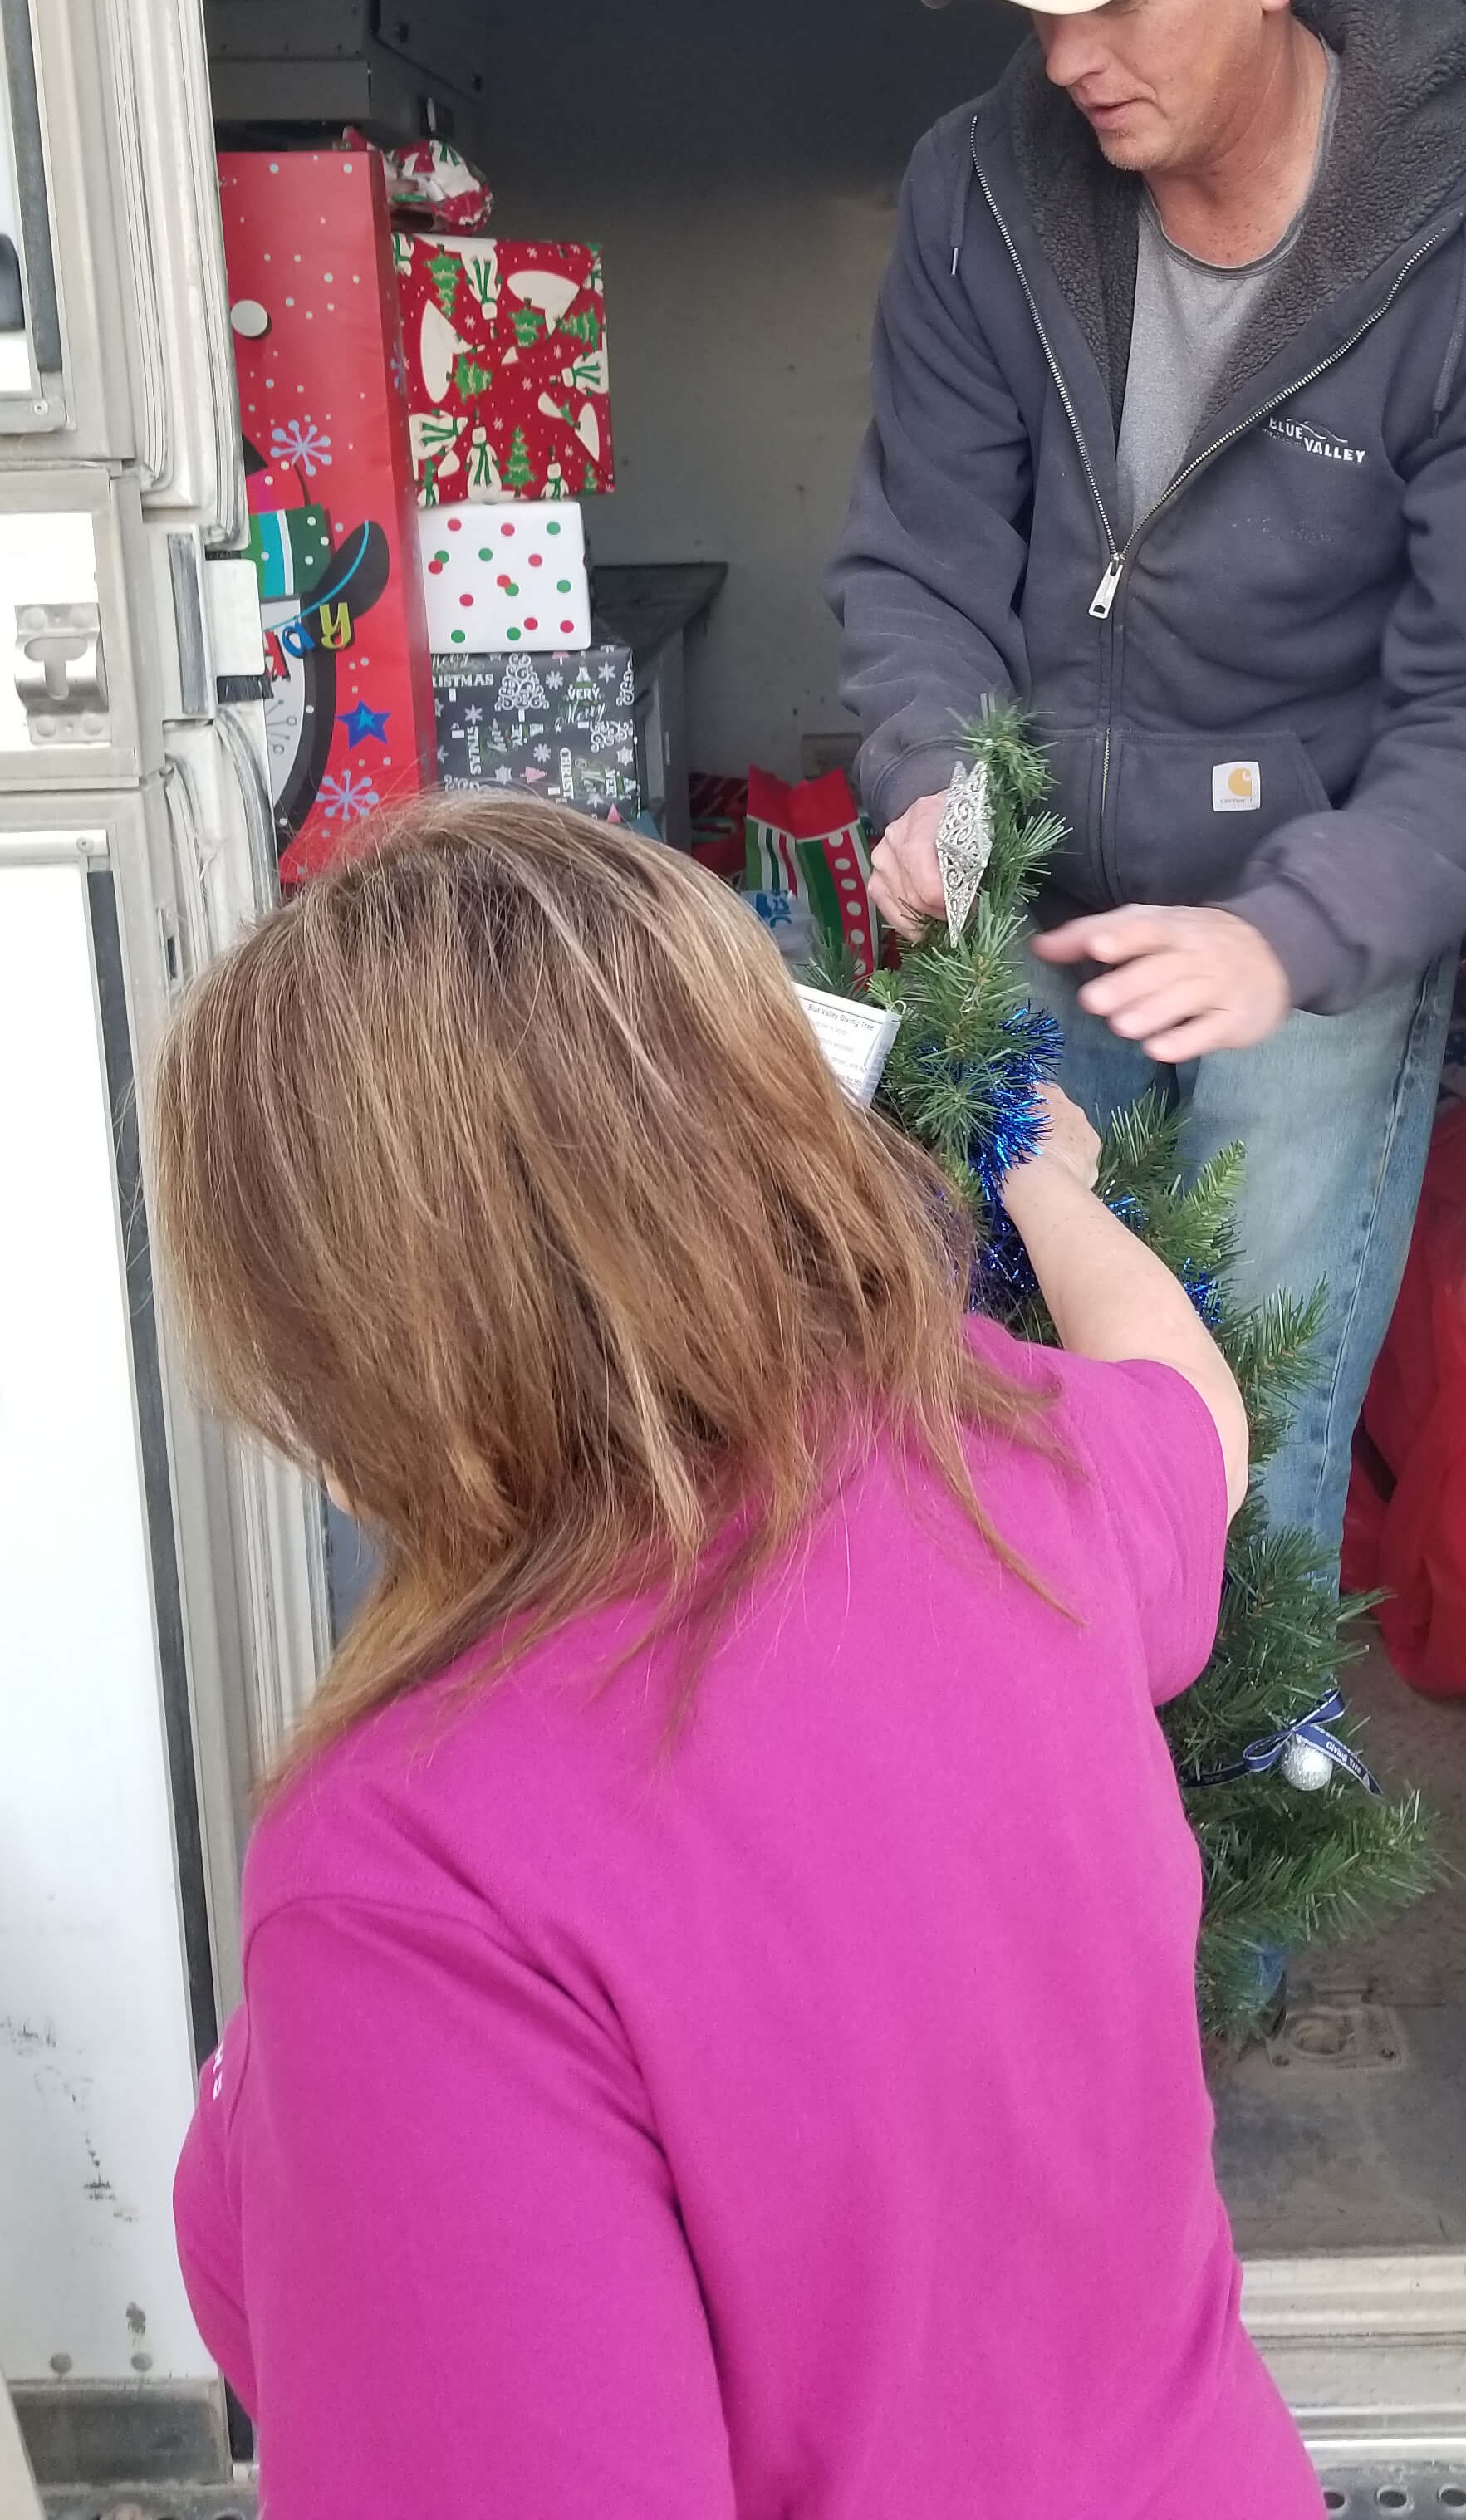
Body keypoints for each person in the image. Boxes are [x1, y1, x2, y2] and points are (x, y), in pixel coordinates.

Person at [152, 793, 1321, 2520]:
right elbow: (1195, 1421)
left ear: (336, 1339)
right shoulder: (1009, 1479)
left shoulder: (414, 1877)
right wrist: (1035, 1183)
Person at [829, 0, 1466, 1561]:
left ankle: (1235, 1824)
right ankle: (1055, 1831)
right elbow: (918, 556)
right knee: (998, 1401)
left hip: (1303, 916)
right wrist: (927, 783)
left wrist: (1294, 943)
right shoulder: (973, 195)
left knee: (1240, 1433)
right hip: (1041, 895)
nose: (1067, 48)